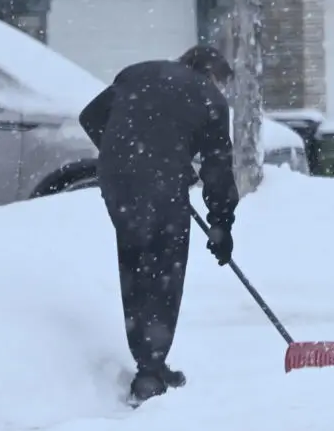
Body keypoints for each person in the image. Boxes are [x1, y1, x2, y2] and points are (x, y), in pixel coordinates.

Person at [78, 45, 241, 404]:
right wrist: (221, 225)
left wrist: (127, 153)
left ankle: (148, 362)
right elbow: (217, 169)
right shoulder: (211, 99)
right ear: (212, 76)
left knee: (135, 262)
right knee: (165, 267)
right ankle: (150, 371)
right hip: (161, 182)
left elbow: (90, 117)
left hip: (117, 176)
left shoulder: (139, 73)